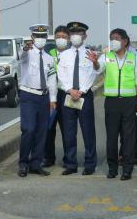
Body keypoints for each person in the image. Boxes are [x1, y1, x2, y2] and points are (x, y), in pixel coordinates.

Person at [90, 28, 137, 180]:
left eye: (117, 38)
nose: (114, 41)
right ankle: (112, 168)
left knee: (128, 137)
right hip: (112, 102)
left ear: (125, 41)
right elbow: (98, 69)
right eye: (111, 38)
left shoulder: (133, 58)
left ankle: (127, 169)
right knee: (112, 137)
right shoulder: (106, 57)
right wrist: (95, 62)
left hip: (129, 101)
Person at [57, 22, 98, 176]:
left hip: (84, 96)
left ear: (85, 36)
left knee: (88, 131)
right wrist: (70, 89)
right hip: (68, 95)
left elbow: (94, 73)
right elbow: (61, 74)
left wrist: (80, 91)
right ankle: (70, 163)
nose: (75, 36)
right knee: (69, 132)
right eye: (72, 33)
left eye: (79, 33)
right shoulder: (64, 55)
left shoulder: (90, 53)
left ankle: (90, 164)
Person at [18, 24, 57, 178]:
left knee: (42, 132)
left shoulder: (49, 58)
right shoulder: (27, 53)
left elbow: (52, 79)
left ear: (46, 38)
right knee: (29, 129)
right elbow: (21, 56)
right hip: (28, 95)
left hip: (44, 97)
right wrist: (25, 49)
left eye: (43, 36)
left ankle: (36, 163)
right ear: (32, 37)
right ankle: (23, 163)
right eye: (37, 36)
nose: (40, 39)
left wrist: (53, 99)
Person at [43, 26, 70, 168]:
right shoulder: (49, 53)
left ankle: (68, 158)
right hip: (51, 94)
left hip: (66, 93)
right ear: (54, 39)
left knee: (67, 128)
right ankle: (48, 157)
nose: (61, 39)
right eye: (58, 36)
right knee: (49, 127)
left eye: (64, 37)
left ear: (68, 39)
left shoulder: (71, 54)